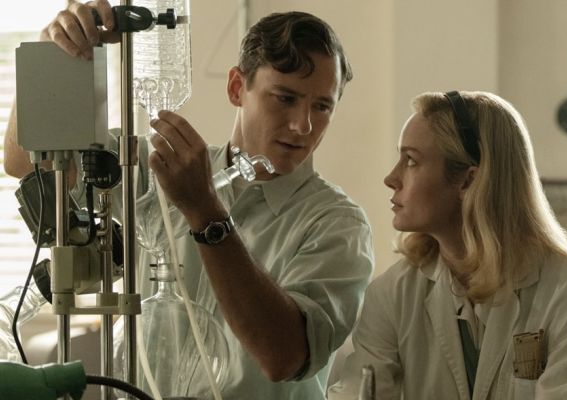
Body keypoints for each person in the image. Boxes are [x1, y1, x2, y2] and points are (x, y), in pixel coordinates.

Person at [3, 1, 374, 399]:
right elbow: (25, 162)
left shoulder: (337, 224)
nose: (303, 125)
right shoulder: (161, 170)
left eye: (322, 106)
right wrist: (54, 55)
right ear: (237, 88)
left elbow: (284, 356)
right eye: (285, 98)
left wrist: (205, 212)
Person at [327, 91, 567, 399]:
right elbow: (358, 393)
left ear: (469, 180)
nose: (391, 178)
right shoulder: (391, 295)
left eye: (411, 161)